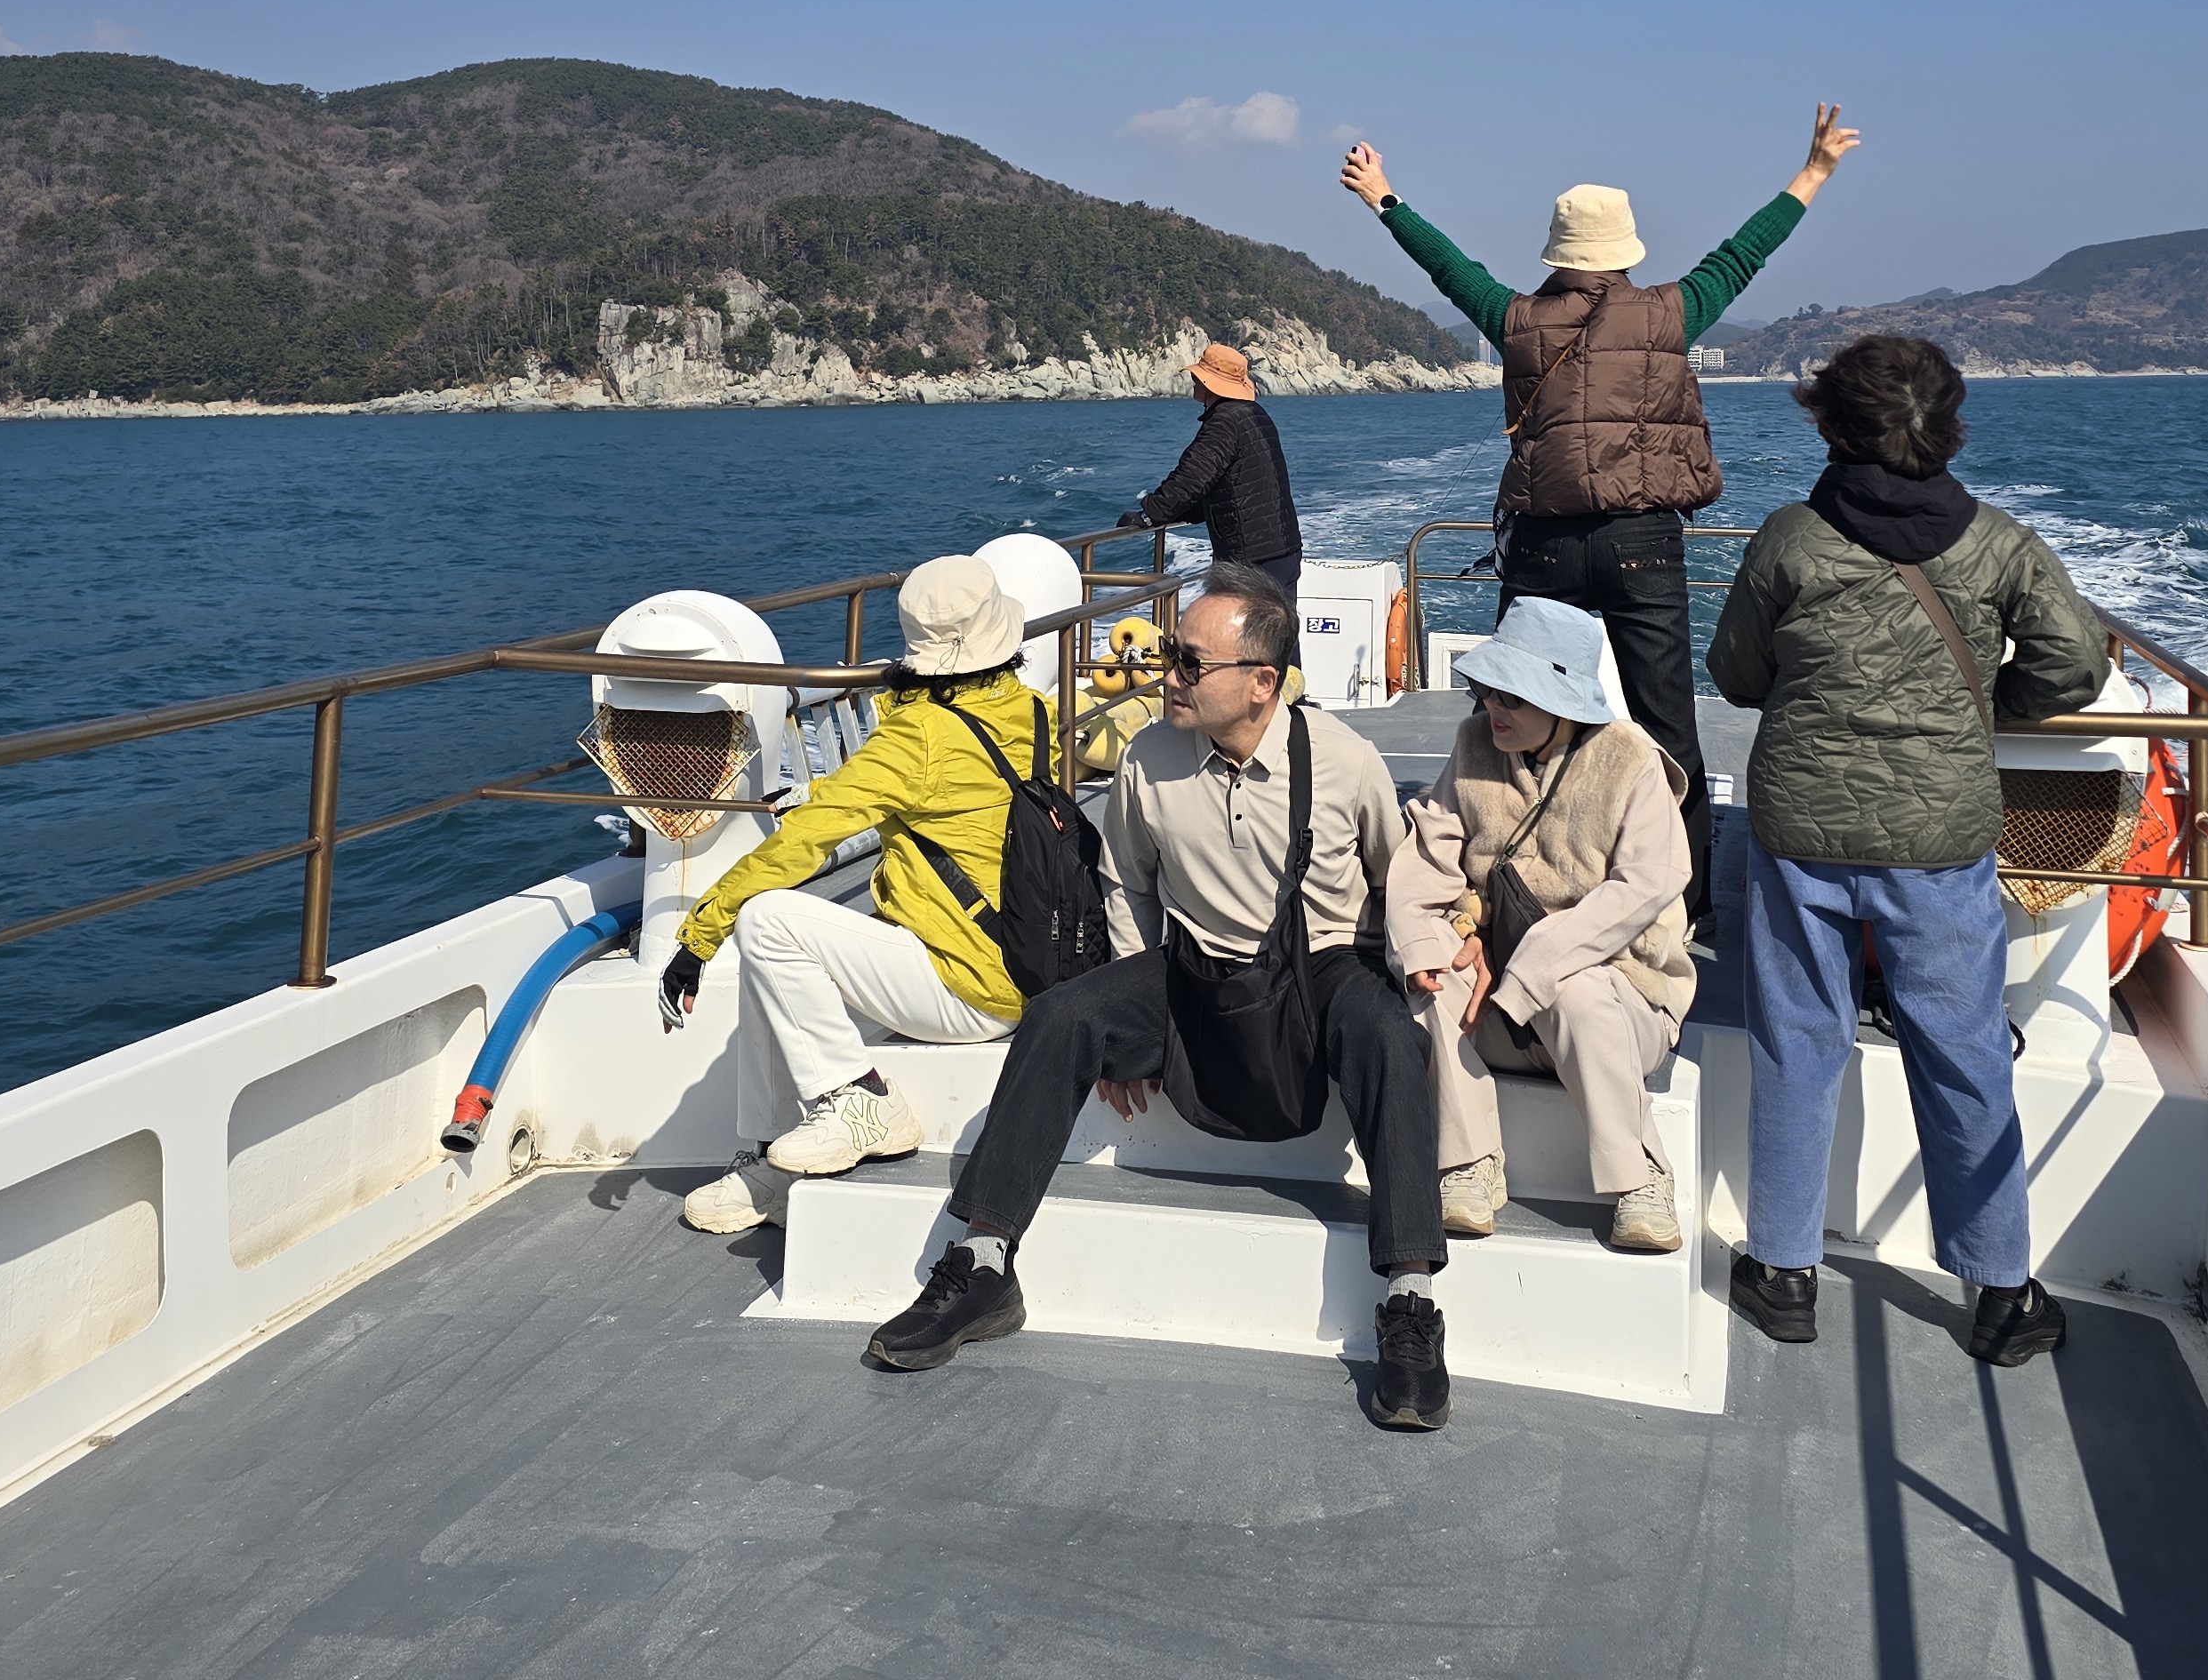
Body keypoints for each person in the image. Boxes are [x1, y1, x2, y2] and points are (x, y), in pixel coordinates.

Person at [859, 564, 1456, 1430]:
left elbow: (1396, 879)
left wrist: (1426, 962)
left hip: (1321, 968)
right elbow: (1127, 883)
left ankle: (1409, 1300)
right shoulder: (1148, 757)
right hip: (1196, 969)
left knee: (1388, 1033)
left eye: (1187, 662)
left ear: (1262, 683)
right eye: (1169, 654)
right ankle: (983, 1264)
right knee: (1062, 1016)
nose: (1164, 674)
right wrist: (1133, 1013)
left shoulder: (1344, 760)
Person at [1339, 103, 1860, 921]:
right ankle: (1684, 898)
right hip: (1642, 542)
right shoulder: (1671, 312)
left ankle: (1493, 874)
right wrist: (1815, 171)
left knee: (1509, 710)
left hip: (1543, 543)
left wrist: (1384, 198)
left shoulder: (1515, 319)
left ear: (1557, 252)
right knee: (1664, 723)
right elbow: (1744, 253)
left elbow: (1450, 268)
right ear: (1625, 250)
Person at [1704, 332, 2108, 1366]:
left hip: (1803, 825)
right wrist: (1981, 702)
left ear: (1831, 425)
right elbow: (2073, 665)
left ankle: (1783, 1269)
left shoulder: (1790, 539)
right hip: (1939, 833)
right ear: (1948, 427)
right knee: (1962, 1052)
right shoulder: (1999, 544)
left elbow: (1737, 674)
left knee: (1798, 1040)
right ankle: (2001, 1288)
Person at [655, 555, 1050, 1236]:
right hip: (1024, 961)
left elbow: (806, 839)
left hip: (966, 984)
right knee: (770, 977)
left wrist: (698, 938)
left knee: (768, 921)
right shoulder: (1030, 709)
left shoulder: (920, 736)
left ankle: (861, 1100)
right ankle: (768, 1164)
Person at [1385, 596, 1695, 1254]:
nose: (1493, 707)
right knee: (1432, 971)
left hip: (1619, 1005)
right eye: (1487, 690)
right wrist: (1433, 941)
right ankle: (1469, 1162)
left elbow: (1647, 885)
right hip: (1498, 1006)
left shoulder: (1631, 760)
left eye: (1513, 697)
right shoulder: (1474, 744)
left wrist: (1533, 965)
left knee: (1575, 984)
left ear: (1564, 703)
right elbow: (1426, 859)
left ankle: (1640, 1180)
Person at [1117, 340, 1303, 668]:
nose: (1193, 382)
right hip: (1283, 546)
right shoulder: (1255, 415)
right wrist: (1183, 512)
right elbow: (1226, 485)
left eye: (1197, 377)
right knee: (1280, 639)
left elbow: (1193, 476)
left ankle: (1256, 699)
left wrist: (1151, 515)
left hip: (1252, 555)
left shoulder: (1224, 421)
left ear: (1209, 383)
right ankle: (1291, 696)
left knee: (1251, 644)